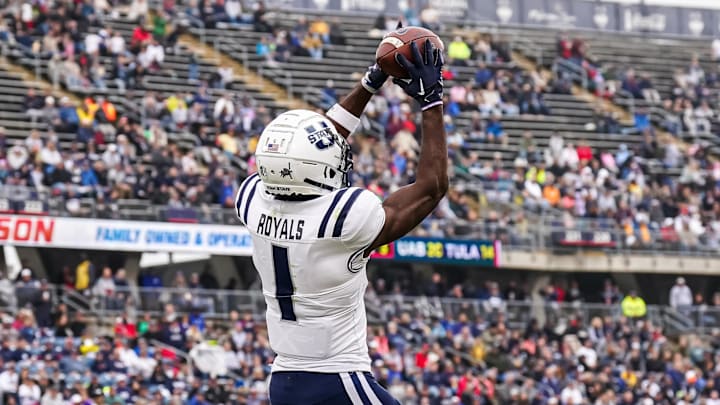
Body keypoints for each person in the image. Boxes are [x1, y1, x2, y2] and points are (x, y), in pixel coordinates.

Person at [235, 39, 446, 404]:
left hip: (284, 378)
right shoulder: (343, 219)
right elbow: (432, 187)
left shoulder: (253, 199)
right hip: (335, 378)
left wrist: (371, 81)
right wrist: (432, 102)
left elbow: (314, 147)